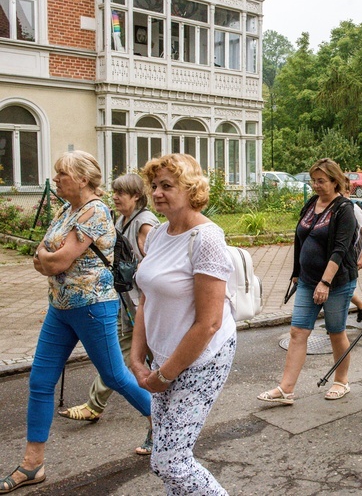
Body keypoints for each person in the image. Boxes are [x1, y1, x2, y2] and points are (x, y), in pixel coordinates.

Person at [0, 151, 151, 494]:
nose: (56, 179)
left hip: (92, 308)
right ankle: (32, 463)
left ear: (82, 179)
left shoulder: (95, 211)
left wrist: (48, 261)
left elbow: (57, 259)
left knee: (114, 375)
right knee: (39, 381)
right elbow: (41, 254)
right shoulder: (67, 211)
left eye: (62, 174)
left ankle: (162, 423)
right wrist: (48, 261)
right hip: (60, 308)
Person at [129, 153, 236, 494]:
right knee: (165, 458)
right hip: (164, 357)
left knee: (170, 461)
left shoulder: (206, 239)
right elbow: (146, 296)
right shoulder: (160, 233)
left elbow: (209, 323)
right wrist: (136, 356)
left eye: (167, 186)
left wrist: (165, 375)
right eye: (154, 185)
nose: (157, 193)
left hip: (201, 359)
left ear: (191, 190)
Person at [57, 174, 159, 455]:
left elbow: (155, 268)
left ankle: (155, 422)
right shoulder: (118, 221)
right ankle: (100, 405)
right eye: (114, 192)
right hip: (126, 302)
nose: (115, 197)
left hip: (143, 305)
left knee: (142, 361)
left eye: (122, 193)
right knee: (129, 359)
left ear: (136, 196)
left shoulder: (145, 224)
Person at [258, 158, 358, 404]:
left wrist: (325, 283)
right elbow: (301, 238)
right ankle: (286, 389)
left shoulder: (344, 209)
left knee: (336, 332)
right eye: (313, 180)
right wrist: (295, 271)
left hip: (336, 283)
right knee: (297, 332)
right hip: (306, 280)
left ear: (335, 182)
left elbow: (340, 248)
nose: (315, 185)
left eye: (321, 181)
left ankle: (341, 381)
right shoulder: (312, 203)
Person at [343, 180, 362, 322]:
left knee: (343, 288)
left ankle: (336, 321)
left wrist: (361, 257)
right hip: (342, 255)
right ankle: (361, 306)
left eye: (341, 191)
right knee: (342, 288)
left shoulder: (354, 209)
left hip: (352, 255)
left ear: (348, 191)